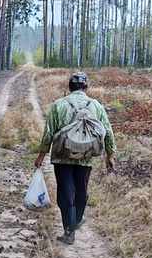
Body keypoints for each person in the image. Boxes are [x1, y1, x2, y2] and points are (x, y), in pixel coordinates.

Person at [34, 72, 115, 246]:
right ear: (86, 87)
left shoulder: (58, 105)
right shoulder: (96, 106)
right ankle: (76, 220)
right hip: (86, 156)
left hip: (62, 157)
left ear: (69, 87)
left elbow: (48, 133)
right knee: (81, 191)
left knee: (66, 193)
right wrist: (110, 155)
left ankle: (69, 230)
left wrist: (41, 155)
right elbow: (108, 132)